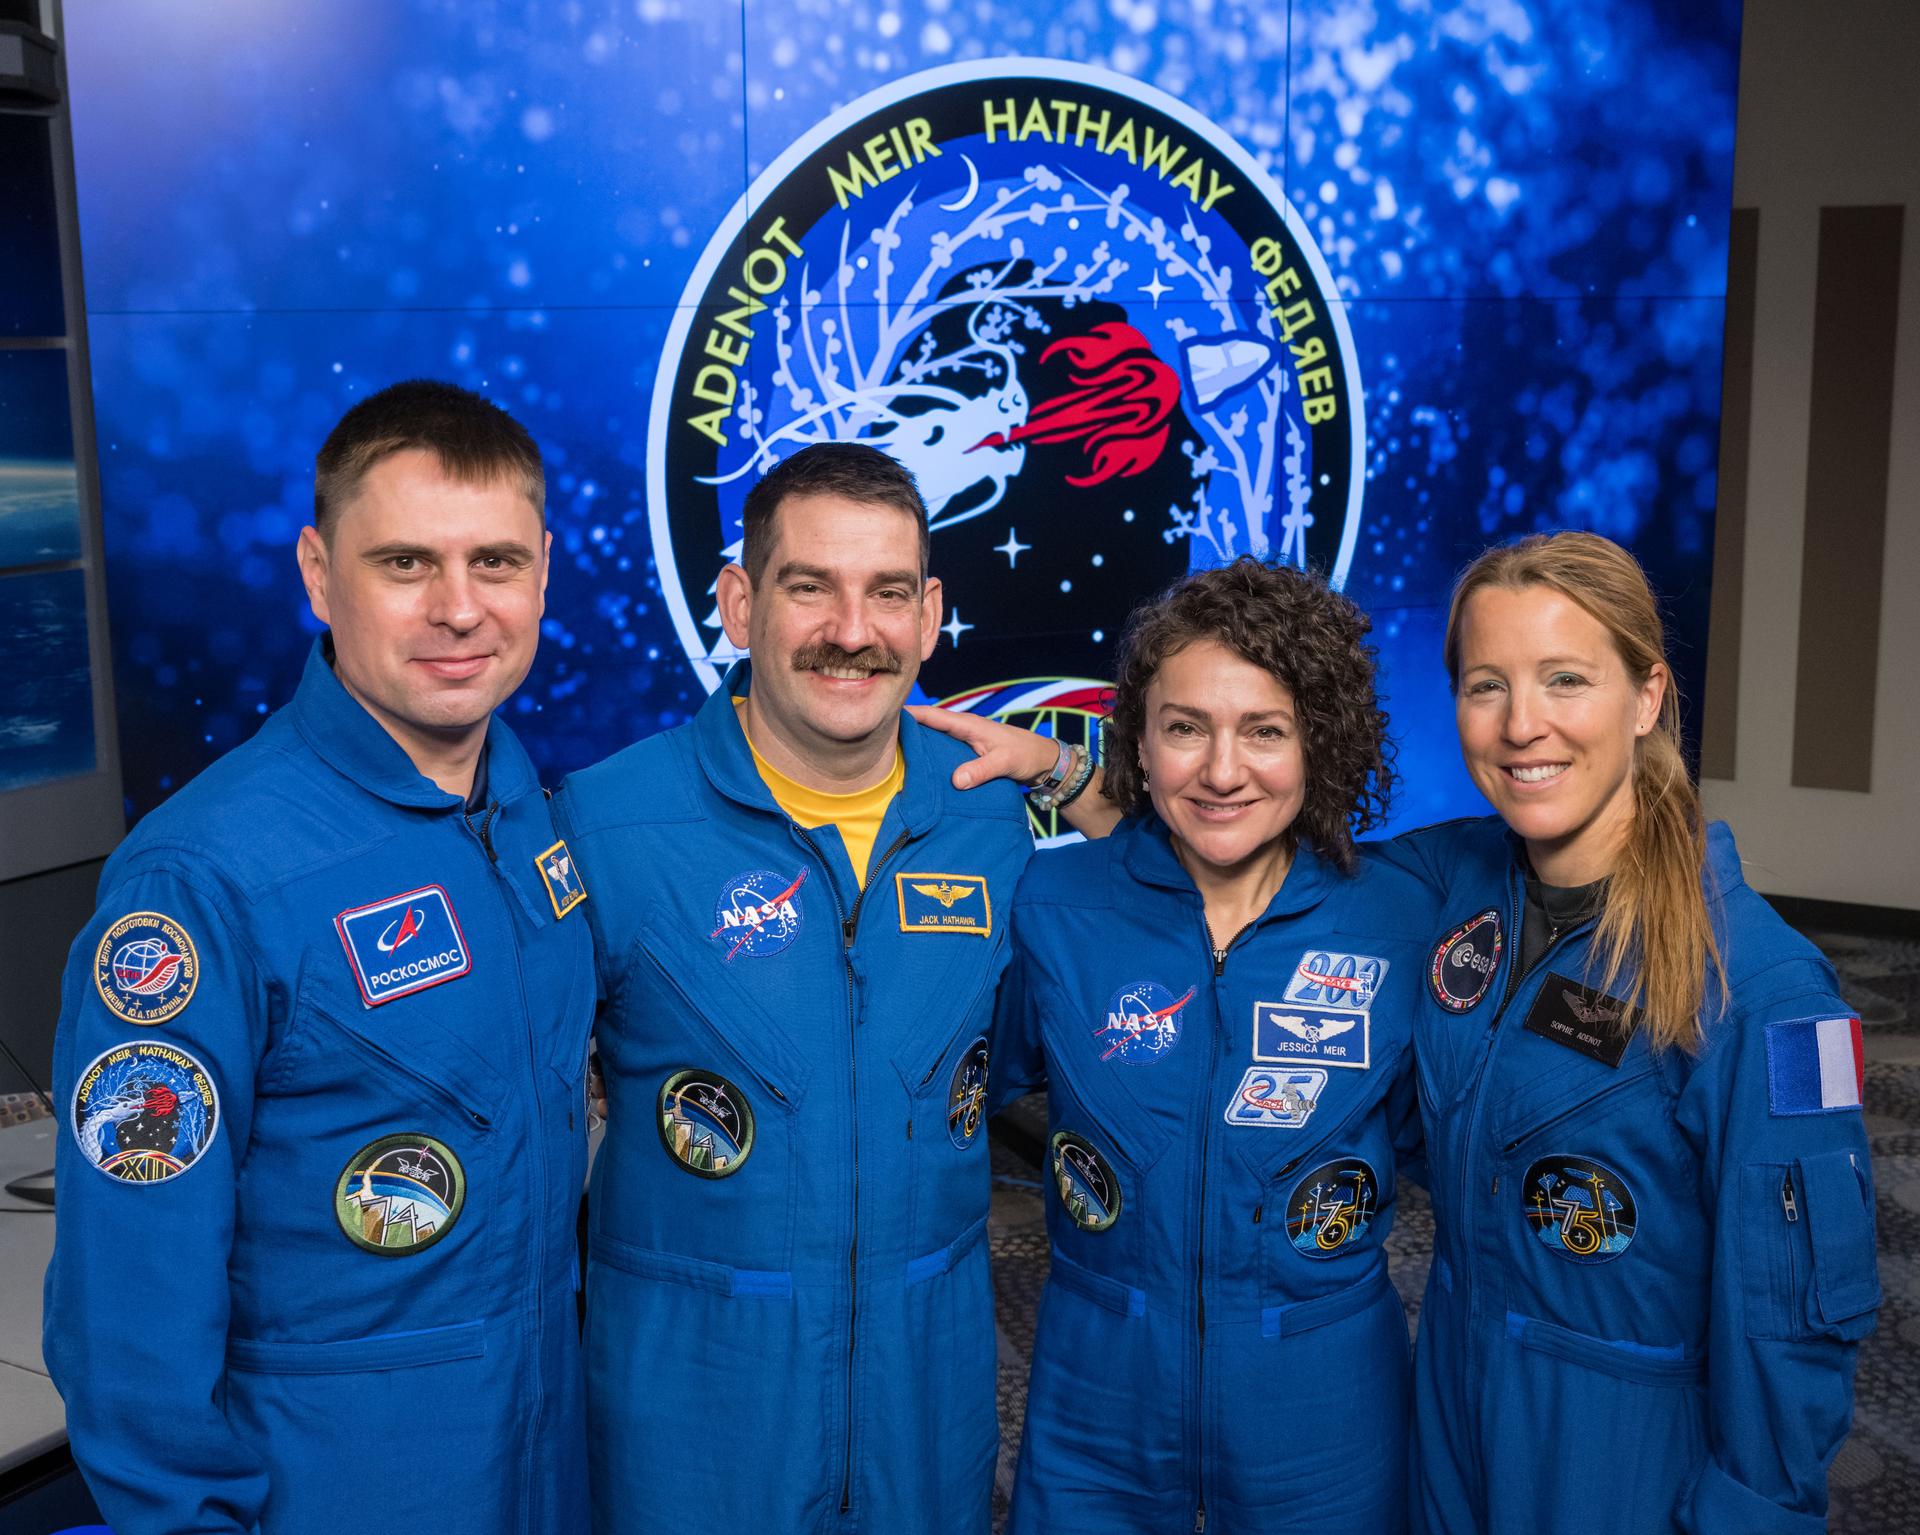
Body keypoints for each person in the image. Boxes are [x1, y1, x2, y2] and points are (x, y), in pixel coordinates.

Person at [43, 381, 596, 1534]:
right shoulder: (202, 883)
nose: (460, 609)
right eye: (405, 564)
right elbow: (127, 1309)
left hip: (541, 1454)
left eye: (495, 562)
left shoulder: (518, 800)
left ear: (543, 568)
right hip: (336, 1485)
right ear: (317, 572)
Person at [556, 442, 1078, 1534]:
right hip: (690, 1434)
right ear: (740, 603)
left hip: (923, 1428)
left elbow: (1209, 869)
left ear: (930, 615)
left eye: (889, 591)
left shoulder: (989, 819)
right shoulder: (607, 824)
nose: (854, 628)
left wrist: (1076, 775)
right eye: (810, 586)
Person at [1390, 531, 1878, 1533]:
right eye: (1488, 685)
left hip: (1620, 1451)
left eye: (1565, 678)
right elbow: (1267, 860)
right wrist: (1069, 774)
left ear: (1646, 696)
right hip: (1448, 1408)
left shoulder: (1766, 986)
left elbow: (1791, 1319)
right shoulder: (1450, 884)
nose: (1523, 724)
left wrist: (1752, 1515)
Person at [979, 559, 1434, 1534]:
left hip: (1325, 1412)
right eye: (1185, 727)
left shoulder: (1402, 918)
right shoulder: (1054, 906)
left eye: (1265, 729)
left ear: (1323, 740)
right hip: (1093, 1404)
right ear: (1138, 741)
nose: (1222, 770)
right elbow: (945, 1099)